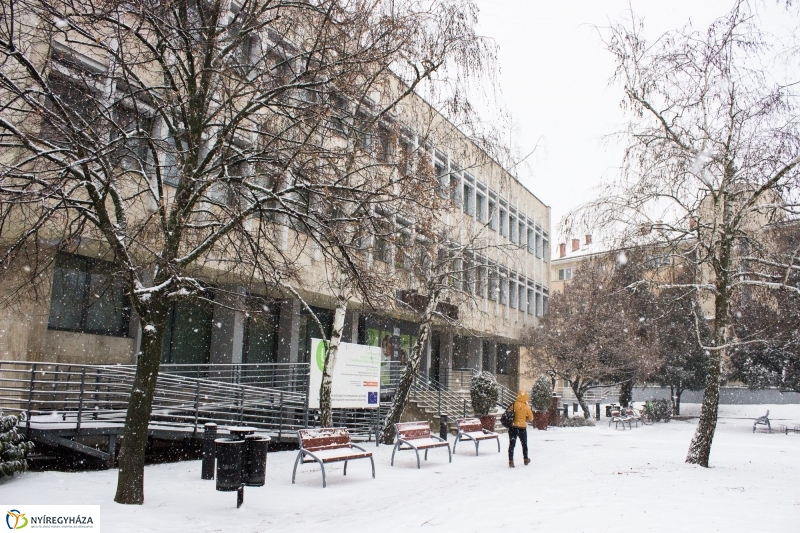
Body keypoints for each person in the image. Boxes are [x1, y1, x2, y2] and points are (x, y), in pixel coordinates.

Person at [508, 390, 533, 467]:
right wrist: (526, 419)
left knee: (512, 445)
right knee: (524, 444)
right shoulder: (526, 406)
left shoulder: (514, 404)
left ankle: (511, 461)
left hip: (513, 427)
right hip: (522, 428)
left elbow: (509, 413)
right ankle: (525, 459)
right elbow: (531, 418)